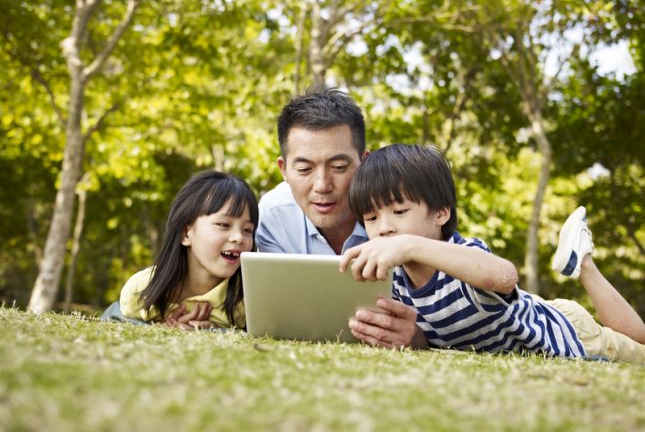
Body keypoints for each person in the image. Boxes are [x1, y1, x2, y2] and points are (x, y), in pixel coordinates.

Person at [339, 144, 645, 364]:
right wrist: (411, 337)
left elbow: (503, 276)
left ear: (441, 213)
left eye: (399, 211)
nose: (384, 228)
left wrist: (409, 245)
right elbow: (434, 337)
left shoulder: (462, 255)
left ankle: (585, 264)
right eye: (371, 218)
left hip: (568, 332)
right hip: (533, 316)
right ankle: (583, 263)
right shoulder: (394, 282)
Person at [106, 170, 258, 330]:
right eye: (224, 225)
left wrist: (217, 330)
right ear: (186, 233)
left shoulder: (247, 300)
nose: (239, 237)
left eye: (247, 230)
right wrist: (160, 328)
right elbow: (114, 325)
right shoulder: (142, 290)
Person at [256, 87, 370, 255]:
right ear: (284, 169)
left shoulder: (400, 208)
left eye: (338, 167)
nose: (322, 186)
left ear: (364, 162)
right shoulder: (275, 214)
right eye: (304, 169)